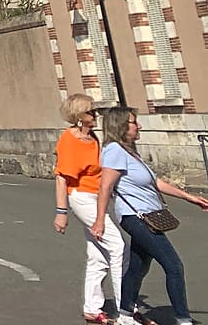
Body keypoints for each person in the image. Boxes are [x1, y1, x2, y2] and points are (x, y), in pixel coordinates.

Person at [99, 105, 208, 325]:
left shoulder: (130, 152)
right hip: (136, 217)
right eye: (133, 122)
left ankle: (126, 313)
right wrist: (99, 220)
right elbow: (105, 187)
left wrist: (189, 198)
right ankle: (183, 319)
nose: (138, 126)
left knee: (139, 266)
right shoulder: (114, 151)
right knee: (174, 266)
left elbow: (155, 182)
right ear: (120, 126)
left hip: (150, 214)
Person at [55, 93, 124, 324]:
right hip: (81, 197)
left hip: (97, 197)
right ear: (78, 116)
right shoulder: (69, 139)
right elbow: (62, 178)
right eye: (91, 112)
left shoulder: (92, 137)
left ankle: (92, 308)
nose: (96, 115)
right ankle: (125, 307)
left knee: (98, 255)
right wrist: (61, 213)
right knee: (116, 245)